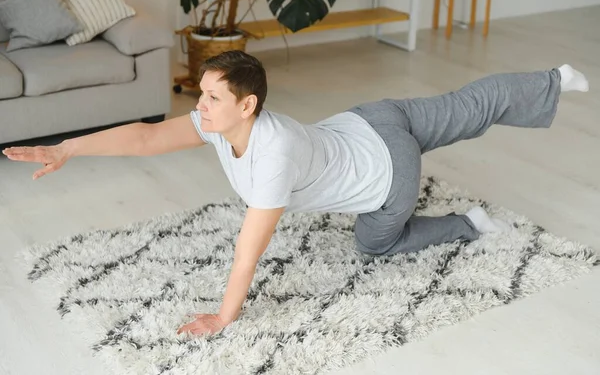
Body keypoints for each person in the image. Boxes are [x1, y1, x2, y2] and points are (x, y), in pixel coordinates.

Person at [2, 50, 589, 337]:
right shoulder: (224, 123)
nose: (199, 108)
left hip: (391, 173)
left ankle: (469, 224)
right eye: (201, 94)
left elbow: (249, 248)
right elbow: (148, 137)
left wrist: (225, 317)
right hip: (373, 119)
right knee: (468, 107)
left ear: (247, 105)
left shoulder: (272, 157)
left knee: (376, 246)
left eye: (210, 97)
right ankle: (553, 81)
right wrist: (68, 148)